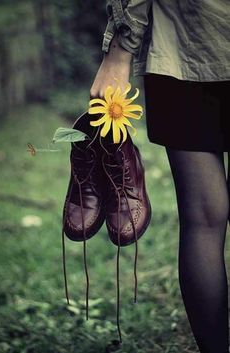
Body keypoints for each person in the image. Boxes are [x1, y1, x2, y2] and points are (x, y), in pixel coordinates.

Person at [89, 0, 230, 352]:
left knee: (203, 220)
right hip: (185, 47)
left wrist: (120, 50)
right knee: (203, 221)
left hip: (183, 48)